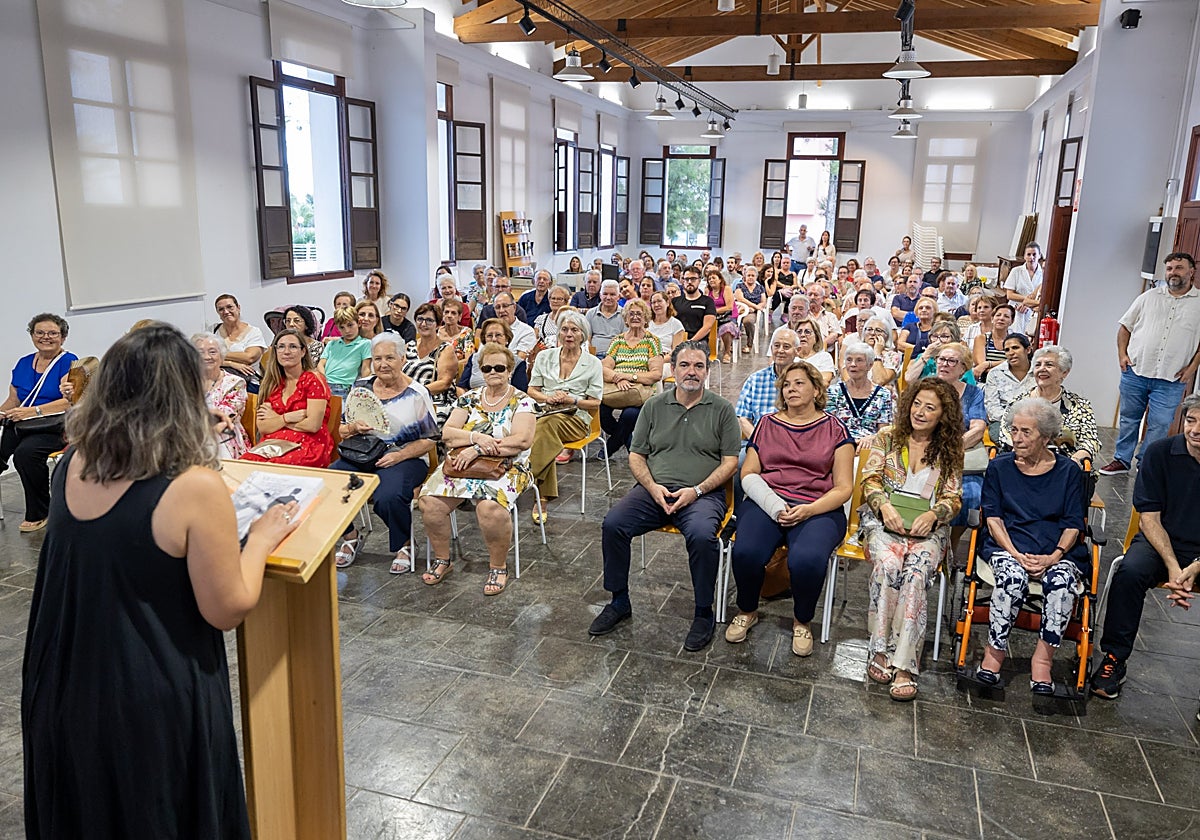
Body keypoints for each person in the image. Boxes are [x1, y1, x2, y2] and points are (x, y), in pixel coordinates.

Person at [22, 322, 298, 839]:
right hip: (148, 687)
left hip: (66, 677)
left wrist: (194, 437)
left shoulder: (72, 463)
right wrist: (261, 537)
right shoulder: (195, 486)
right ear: (185, 394)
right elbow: (228, 606)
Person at [589, 342, 740, 651]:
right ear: (673, 369)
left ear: (707, 372)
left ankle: (703, 611)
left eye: (699, 366)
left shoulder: (722, 410)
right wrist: (652, 487)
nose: (692, 372)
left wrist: (697, 490)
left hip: (702, 494)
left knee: (701, 536)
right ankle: (619, 600)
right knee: (613, 524)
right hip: (654, 490)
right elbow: (636, 455)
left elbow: (730, 462)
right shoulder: (654, 406)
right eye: (685, 365)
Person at [725, 361, 855, 656]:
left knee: (807, 559)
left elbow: (844, 487)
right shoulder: (767, 424)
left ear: (816, 389)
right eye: (786, 384)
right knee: (746, 551)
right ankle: (747, 610)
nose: (791, 389)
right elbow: (749, 474)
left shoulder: (835, 428)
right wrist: (773, 506)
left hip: (819, 506)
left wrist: (809, 510)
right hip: (768, 501)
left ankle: (802, 621)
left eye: (799, 383)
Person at [973, 399, 1090, 695]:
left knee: (1062, 586)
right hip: (1008, 545)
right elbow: (994, 518)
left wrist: (1053, 557)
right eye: (1014, 430)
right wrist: (1013, 553)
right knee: (1011, 580)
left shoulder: (1069, 472)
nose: (1017, 438)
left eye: (1027, 432)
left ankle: (1043, 660)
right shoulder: (999, 467)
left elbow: (1074, 522)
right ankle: (994, 654)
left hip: (1056, 549)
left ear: (1047, 438)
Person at [861, 378, 964, 700]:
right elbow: (870, 480)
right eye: (917, 404)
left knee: (916, 575)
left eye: (930, 407)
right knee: (889, 566)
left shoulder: (950, 448)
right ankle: (879, 649)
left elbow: (953, 498)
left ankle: (904, 664)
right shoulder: (888, 438)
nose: (920, 412)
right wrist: (884, 507)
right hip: (883, 522)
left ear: (942, 415)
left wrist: (934, 515)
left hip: (929, 529)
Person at [1092, 394, 1200, 699]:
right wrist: (1175, 568)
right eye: (1191, 420)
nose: (1195, 429)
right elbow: (1149, 519)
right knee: (1130, 570)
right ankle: (1114, 657)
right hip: (1161, 539)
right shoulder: (1159, 453)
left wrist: (1195, 566)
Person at [418, 343, 537, 596]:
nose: (493, 371)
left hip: (510, 466)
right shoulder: (469, 398)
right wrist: (475, 438)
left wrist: (479, 449)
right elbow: (448, 435)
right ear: (481, 371)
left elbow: (522, 441)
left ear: (510, 370)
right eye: (487, 367)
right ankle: (442, 559)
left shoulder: (522, 400)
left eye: (499, 367)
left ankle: (497, 566)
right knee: (429, 501)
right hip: (463, 465)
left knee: (489, 506)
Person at [331, 334, 439, 574]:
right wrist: (353, 428)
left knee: (387, 495)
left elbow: (430, 439)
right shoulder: (362, 387)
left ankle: (405, 543)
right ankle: (350, 536)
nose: (383, 364)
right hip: (363, 453)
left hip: (405, 456)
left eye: (390, 357)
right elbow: (341, 429)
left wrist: (399, 456)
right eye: (378, 358)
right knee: (330, 483)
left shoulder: (416, 393)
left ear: (402, 358)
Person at [1101, 252, 1200, 475]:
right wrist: (1121, 355)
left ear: (1191, 271)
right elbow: (1125, 327)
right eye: (1170, 269)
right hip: (1136, 371)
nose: (1173, 272)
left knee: (1160, 424)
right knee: (1129, 418)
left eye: (1179, 268)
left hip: (1171, 378)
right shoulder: (1148, 297)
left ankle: (1147, 463)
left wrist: (1192, 368)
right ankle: (1121, 460)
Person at [0, 313, 77, 532]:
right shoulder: (24, 363)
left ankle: (40, 512)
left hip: (57, 426)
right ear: (32, 335)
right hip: (25, 425)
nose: (46, 337)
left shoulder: (68, 362)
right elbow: (13, 400)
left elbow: (68, 402)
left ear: (62, 337)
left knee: (26, 453)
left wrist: (31, 411)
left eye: (53, 333)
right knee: (12, 434)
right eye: (40, 332)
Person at [526, 311, 603, 522]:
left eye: (574, 330)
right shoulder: (544, 356)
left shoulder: (593, 363)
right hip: (545, 412)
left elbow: (595, 402)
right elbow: (532, 390)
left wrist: (572, 400)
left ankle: (526, 476)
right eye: (565, 329)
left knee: (545, 427)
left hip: (577, 418)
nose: (569, 334)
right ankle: (541, 495)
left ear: (583, 335)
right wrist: (548, 397)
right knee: (547, 432)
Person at [241, 328, 334, 468]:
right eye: (281, 347)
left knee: (275, 468)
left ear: (303, 352)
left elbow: (313, 426)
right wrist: (287, 417)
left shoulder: (313, 379)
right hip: (272, 444)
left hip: (307, 444)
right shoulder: (273, 383)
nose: (286, 352)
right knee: (244, 464)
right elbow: (263, 427)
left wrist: (276, 418)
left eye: (293, 347)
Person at [999, 346, 1100, 464]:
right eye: (1038, 365)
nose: (1042, 369)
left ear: (1064, 372)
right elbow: (1005, 435)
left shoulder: (1080, 406)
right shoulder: (1018, 403)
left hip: (1066, 467)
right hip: (1023, 463)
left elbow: (1091, 441)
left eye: (1049, 365)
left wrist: (1074, 462)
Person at [600, 300, 664, 458]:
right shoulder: (618, 340)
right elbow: (603, 367)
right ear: (626, 319)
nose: (635, 317)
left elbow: (656, 374)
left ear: (646, 318)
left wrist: (630, 377)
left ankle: (610, 447)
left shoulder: (652, 341)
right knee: (600, 410)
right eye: (631, 314)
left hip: (641, 391)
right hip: (616, 388)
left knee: (629, 415)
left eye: (639, 314)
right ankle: (629, 444)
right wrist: (617, 378)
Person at [933, 342, 987, 527]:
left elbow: (978, 428)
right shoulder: (925, 388)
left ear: (963, 368)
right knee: (924, 492)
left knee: (971, 495)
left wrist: (951, 449)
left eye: (951, 361)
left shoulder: (973, 393)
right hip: (926, 455)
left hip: (960, 458)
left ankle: (952, 545)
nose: (945, 364)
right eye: (941, 359)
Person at [826, 342, 896, 449]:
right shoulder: (834, 391)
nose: (853, 364)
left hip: (871, 447)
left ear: (870, 365)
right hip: (840, 446)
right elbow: (829, 428)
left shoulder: (883, 394)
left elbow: (884, 431)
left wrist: (871, 438)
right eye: (849, 360)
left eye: (859, 360)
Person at [193, 334, 250, 460]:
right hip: (193, 435)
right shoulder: (186, 382)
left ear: (222, 356)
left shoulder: (235, 382)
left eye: (212, 352)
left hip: (225, 437)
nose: (206, 357)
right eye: (200, 352)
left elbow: (223, 416)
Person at [403, 302, 458, 423]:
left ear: (438, 325)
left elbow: (444, 383)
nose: (423, 324)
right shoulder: (409, 346)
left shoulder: (445, 349)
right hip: (406, 400)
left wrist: (416, 393)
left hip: (435, 400)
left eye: (429, 320)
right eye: (420, 319)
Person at [983, 334, 1034, 442]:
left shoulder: (1038, 373)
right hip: (1002, 422)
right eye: (1007, 350)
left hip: (1034, 423)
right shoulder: (995, 374)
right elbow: (992, 408)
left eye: (1015, 348)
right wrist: (1015, 422)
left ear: (1028, 350)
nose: (1011, 352)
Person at [459, 318, 528, 394]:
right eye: (489, 335)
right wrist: (467, 403)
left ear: (507, 338)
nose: (494, 339)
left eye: (498, 335)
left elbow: (519, 393)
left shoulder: (518, 362)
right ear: (484, 339)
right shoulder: (474, 358)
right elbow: (461, 387)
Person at [317, 307, 372, 398]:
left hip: (344, 387)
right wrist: (324, 381)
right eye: (342, 327)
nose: (347, 331)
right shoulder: (332, 344)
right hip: (324, 384)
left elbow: (365, 369)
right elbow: (321, 364)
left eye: (350, 325)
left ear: (358, 323)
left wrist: (363, 389)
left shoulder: (365, 344)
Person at [213, 294, 267, 386]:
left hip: (247, 382)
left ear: (238, 308)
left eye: (230, 307)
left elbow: (249, 357)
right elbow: (201, 357)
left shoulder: (254, 332)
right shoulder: (212, 330)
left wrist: (217, 354)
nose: (226, 312)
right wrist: (231, 364)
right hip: (218, 381)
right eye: (221, 309)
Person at [904, 321, 975, 386]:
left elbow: (970, 388)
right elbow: (909, 379)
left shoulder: (960, 359)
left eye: (944, 336)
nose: (938, 341)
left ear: (954, 339)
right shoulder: (923, 356)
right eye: (934, 336)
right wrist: (926, 355)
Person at [1002, 242, 1043, 334]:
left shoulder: (1044, 273)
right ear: (1024, 256)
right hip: (1016, 308)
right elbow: (1009, 294)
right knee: (1014, 335)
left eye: (1034, 254)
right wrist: (1027, 300)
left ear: (1039, 256)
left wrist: (1030, 303)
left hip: (1034, 310)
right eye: (1028, 254)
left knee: (1030, 335)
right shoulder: (1016, 271)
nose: (1031, 257)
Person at [673, 267, 717, 344]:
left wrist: (691, 341)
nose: (689, 282)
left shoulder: (708, 301)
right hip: (677, 340)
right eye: (686, 279)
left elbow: (707, 326)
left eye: (693, 279)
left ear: (699, 280)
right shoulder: (675, 301)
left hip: (698, 342)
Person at [972, 302, 1013, 382]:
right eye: (998, 315)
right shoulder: (981, 338)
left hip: (1009, 382)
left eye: (1006, 316)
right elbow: (981, 367)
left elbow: (1016, 363)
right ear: (992, 319)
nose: (1001, 318)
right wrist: (1006, 364)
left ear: (1012, 321)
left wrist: (988, 364)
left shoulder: (1015, 340)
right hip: (985, 381)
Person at [491, 292, 537, 362]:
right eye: (497, 307)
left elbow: (519, 362)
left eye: (505, 306)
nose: (501, 310)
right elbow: (481, 356)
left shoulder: (527, 332)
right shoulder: (490, 330)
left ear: (514, 307)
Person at [706, 271, 739, 364]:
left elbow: (729, 307)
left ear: (720, 280)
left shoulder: (726, 289)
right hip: (713, 317)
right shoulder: (708, 291)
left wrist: (713, 311)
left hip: (728, 316)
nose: (711, 280)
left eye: (713, 278)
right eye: (709, 279)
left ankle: (727, 352)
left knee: (727, 328)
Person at [586, 280, 626, 357]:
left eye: (612, 294)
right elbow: (587, 339)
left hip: (616, 356)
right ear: (600, 295)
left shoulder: (625, 314)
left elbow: (625, 340)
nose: (608, 297)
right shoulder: (590, 314)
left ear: (618, 297)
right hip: (594, 356)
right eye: (605, 294)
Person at [860, 318, 902, 389]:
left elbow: (879, 381)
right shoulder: (855, 352)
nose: (872, 333)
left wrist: (877, 353)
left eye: (878, 330)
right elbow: (847, 377)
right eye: (869, 329)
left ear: (887, 336)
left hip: (881, 397)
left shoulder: (892, 356)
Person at [794, 319, 836, 387]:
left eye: (807, 332)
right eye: (799, 332)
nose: (802, 335)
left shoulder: (824, 357)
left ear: (816, 337)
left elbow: (824, 382)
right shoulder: (790, 357)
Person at [735, 264, 769, 345]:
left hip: (752, 312)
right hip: (741, 309)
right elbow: (741, 299)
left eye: (753, 275)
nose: (750, 277)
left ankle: (749, 344)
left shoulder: (760, 288)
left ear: (756, 277)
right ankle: (731, 345)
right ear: (745, 276)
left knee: (748, 321)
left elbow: (763, 302)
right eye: (748, 275)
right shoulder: (739, 286)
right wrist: (754, 306)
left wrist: (754, 309)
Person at [532, 285, 573, 349]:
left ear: (566, 302)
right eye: (553, 298)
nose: (555, 301)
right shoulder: (541, 319)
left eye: (559, 299)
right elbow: (534, 339)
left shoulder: (571, 320)